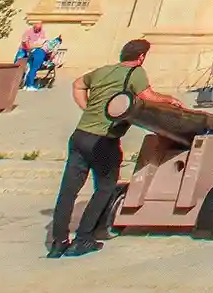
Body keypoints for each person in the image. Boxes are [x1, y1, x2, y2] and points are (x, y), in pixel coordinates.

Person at [48, 39, 178, 258]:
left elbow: (78, 84)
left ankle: (58, 243)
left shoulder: (104, 71)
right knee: (105, 188)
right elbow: (148, 96)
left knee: (68, 191)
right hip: (104, 140)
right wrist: (170, 100)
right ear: (141, 57)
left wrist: (86, 107)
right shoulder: (136, 72)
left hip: (80, 135)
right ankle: (83, 239)